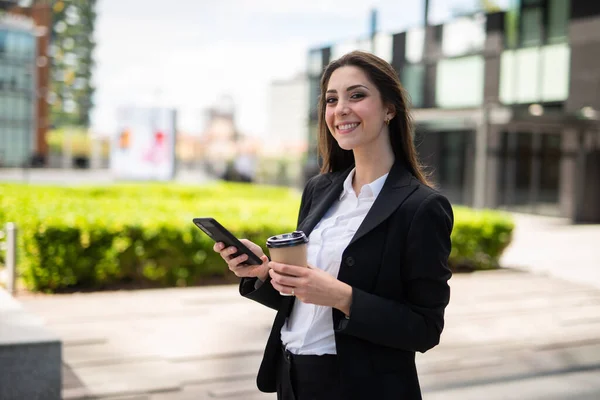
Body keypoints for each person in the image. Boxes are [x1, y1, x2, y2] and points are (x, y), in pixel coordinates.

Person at [213, 50, 453, 400]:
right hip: (291, 377)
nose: (340, 108)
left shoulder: (421, 207)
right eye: (331, 99)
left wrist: (343, 297)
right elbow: (302, 300)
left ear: (390, 109)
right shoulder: (320, 189)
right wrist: (263, 274)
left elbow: (425, 329)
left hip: (358, 387)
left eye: (357, 95)